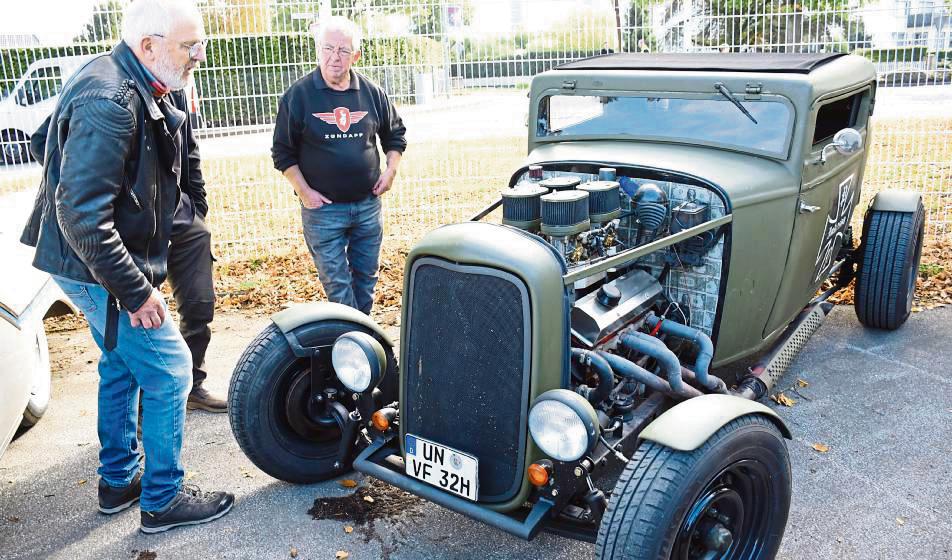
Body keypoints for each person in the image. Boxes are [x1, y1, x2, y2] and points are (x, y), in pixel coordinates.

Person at [19, 0, 234, 534]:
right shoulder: (112, 97)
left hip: (91, 261)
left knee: (121, 365)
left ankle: (118, 482)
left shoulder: (129, 79)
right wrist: (137, 293)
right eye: (189, 46)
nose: (198, 56)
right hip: (94, 264)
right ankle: (162, 500)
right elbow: (82, 215)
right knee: (170, 370)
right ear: (149, 46)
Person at [27, 98, 226, 415]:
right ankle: (148, 402)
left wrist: (197, 207)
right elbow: (43, 142)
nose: (194, 57)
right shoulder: (106, 90)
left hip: (179, 218)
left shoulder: (171, 83)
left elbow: (189, 151)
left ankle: (192, 386)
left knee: (199, 304)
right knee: (137, 320)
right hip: (134, 223)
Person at [272, 16, 407, 315]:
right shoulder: (299, 96)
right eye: (328, 48)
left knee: (366, 281)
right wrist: (304, 191)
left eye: (343, 50)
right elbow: (282, 153)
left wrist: (391, 170)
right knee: (337, 285)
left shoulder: (372, 93)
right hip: (323, 212)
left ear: (356, 55)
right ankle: (353, 340)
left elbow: (395, 134)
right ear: (318, 50)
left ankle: (359, 341)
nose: (335, 57)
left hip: (367, 206)